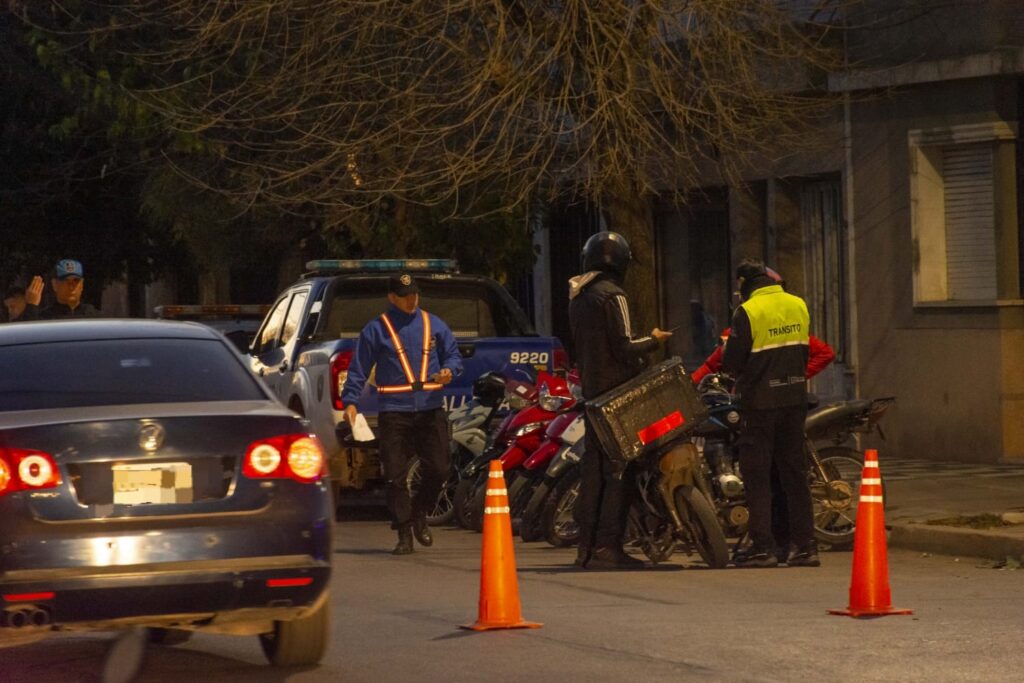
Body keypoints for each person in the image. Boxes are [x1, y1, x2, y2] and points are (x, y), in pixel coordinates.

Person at [568, 231, 672, 570]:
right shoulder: (614, 296)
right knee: (620, 471)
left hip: (592, 393)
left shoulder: (579, 296)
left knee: (594, 471)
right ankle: (608, 546)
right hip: (618, 395)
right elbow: (625, 346)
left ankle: (587, 547)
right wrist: (654, 341)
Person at [340, 271, 463, 555]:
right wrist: (351, 401)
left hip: (430, 408)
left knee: (440, 468)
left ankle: (419, 512)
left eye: (415, 295)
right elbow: (358, 368)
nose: (411, 300)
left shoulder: (434, 324)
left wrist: (449, 371)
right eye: (405, 296)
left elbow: (453, 356)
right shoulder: (376, 329)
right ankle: (404, 532)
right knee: (394, 476)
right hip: (394, 411)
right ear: (391, 297)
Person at [722, 258, 818, 568]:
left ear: (745, 286)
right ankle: (806, 547)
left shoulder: (748, 311)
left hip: (760, 403)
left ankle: (762, 546)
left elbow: (732, 362)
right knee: (794, 474)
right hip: (794, 399)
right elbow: (803, 351)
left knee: (757, 475)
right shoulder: (797, 304)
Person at [21, 260, 100, 320]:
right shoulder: (46, 318)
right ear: (54, 284)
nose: (71, 286)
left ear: (82, 284)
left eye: (76, 281)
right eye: (66, 281)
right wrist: (31, 307)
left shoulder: (95, 317)